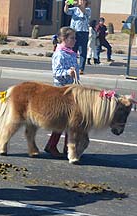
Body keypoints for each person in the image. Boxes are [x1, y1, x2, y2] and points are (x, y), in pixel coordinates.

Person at [44, 27, 80, 157]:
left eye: (75, 38)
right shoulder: (59, 54)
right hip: (61, 92)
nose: (75, 41)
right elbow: (56, 73)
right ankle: (52, 145)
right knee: (62, 121)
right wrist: (67, 72)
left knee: (70, 122)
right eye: (72, 38)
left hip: (71, 90)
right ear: (64, 39)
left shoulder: (70, 53)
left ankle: (67, 148)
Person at [64, 0, 91, 75]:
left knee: (82, 51)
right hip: (74, 32)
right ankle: (72, 67)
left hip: (83, 32)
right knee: (73, 50)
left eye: (82, 0)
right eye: (79, 0)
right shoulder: (74, 9)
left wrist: (79, 5)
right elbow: (66, 11)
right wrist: (66, 4)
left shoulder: (88, 10)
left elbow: (83, 12)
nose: (80, 2)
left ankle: (81, 68)